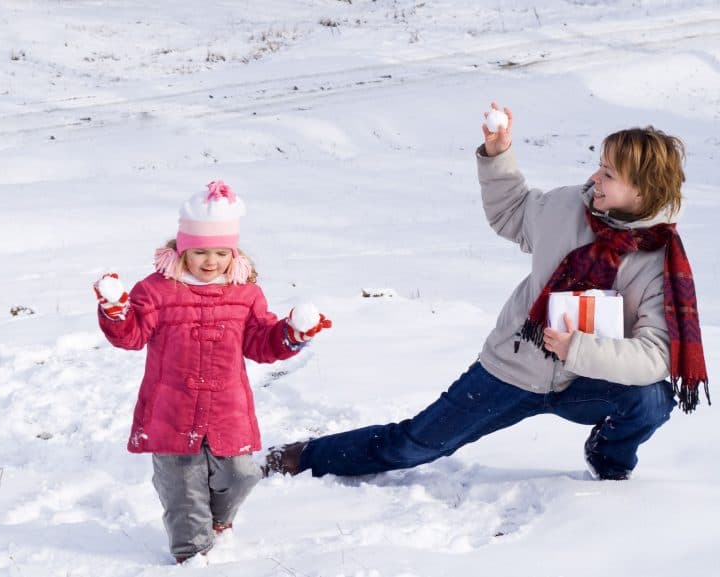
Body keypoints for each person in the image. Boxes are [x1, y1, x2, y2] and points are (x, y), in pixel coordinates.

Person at [265, 104, 708, 481]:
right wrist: (498, 156)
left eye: (608, 173)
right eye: (599, 165)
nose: (595, 177)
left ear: (643, 190)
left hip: (584, 382)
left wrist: (578, 350)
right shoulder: (568, 206)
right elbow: (514, 214)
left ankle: (608, 461)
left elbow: (656, 355)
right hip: (513, 368)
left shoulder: (658, 261)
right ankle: (306, 455)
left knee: (652, 398)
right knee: (413, 445)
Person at [94, 181, 332, 563]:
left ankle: (219, 523)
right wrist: (117, 311)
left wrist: (290, 334)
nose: (211, 261)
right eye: (200, 252)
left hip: (226, 407)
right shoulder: (157, 291)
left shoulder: (245, 294)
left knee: (242, 475)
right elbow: (132, 335)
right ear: (181, 250)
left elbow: (260, 341)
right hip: (171, 408)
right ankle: (194, 557)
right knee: (184, 490)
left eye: (221, 252)